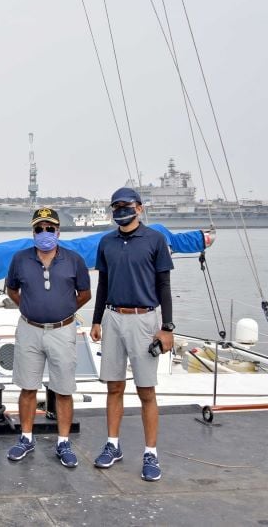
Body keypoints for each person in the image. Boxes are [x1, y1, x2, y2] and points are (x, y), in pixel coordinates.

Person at [90, 187, 174, 482]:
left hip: (144, 319)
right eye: (115, 206)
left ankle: (151, 452)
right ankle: (113, 445)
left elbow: (164, 286)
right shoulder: (106, 242)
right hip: (113, 317)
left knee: (146, 391)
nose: (120, 210)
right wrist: (97, 320)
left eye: (125, 205)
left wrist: (167, 328)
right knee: (113, 387)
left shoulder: (155, 240)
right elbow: (103, 283)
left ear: (139, 208)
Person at [5, 208, 91, 468]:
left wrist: (63, 310)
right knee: (27, 387)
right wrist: (31, 307)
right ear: (33, 232)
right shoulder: (20, 259)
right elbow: (12, 290)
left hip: (62, 331)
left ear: (58, 231)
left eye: (49, 228)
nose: (45, 233)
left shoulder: (74, 260)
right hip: (29, 330)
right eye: (39, 229)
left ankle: (63, 442)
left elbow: (85, 294)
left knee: (63, 389)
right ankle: (26, 437)